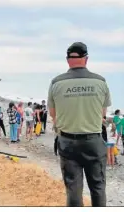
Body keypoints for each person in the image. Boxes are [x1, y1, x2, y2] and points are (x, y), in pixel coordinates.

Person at [47, 42, 111, 207]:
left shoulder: (56, 83)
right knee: (97, 187)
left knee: (73, 189)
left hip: (67, 141)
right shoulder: (100, 81)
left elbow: (53, 114)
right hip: (93, 141)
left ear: (68, 60)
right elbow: (102, 114)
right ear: (86, 59)